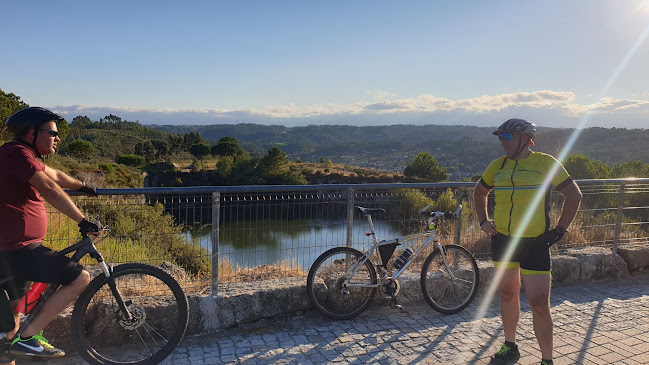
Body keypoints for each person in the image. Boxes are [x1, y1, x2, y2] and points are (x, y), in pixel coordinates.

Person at [473, 118, 582, 365]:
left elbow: (573, 194)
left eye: (508, 137)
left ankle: (547, 360)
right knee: (507, 292)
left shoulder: (544, 163)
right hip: (503, 240)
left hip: (535, 242)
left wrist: (560, 231)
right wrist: (483, 221)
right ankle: (510, 346)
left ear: (525, 138)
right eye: (500, 137)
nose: (503, 142)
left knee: (539, 302)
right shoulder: (497, 166)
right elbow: (480, 191)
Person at [0, 107, 101, 363]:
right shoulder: (16, 154)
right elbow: (48, 186)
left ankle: (12, 349)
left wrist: (83, 186)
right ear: (32, 133)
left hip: (12, 249)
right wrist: (83, 220)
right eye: (52, 132)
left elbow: (54, 175)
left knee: (12, 315)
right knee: (80, 277)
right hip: (17, 249)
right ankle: (30, 337)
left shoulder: (23, 156)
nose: (57, 138)